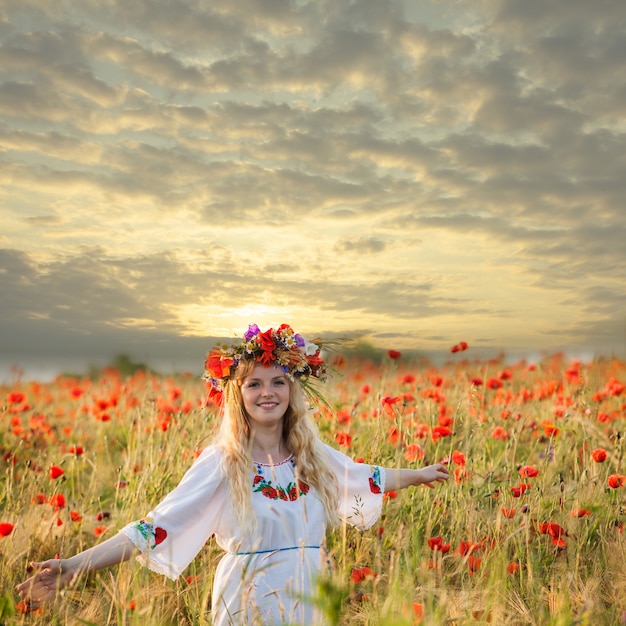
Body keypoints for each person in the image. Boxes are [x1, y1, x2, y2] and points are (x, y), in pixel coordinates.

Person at [17, 323, 449, 625]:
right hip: (250, 600)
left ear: (292, 392)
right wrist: (73, 565)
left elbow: (363, 477)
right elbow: (154, 528)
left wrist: (420, 474)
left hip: (311, 596)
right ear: (236, 395)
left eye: (278, 382)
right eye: (254, 384)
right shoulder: (223, 462)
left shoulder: (311, 456)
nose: (267, 393)